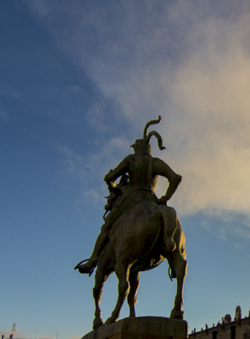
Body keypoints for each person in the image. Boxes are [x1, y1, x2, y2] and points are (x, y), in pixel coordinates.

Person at [75, 117, 182, 275]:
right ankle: (173, 262)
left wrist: (114, 187)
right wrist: (165, 198)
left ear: (137, 148)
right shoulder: (155, 162)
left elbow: (109, 178)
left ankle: (92, 261)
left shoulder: (130, 160)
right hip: (152, 199)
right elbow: (175, 178)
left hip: (130, 199)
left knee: (106, 227)